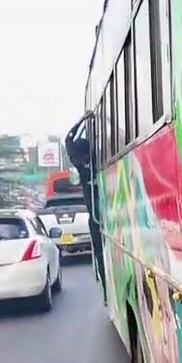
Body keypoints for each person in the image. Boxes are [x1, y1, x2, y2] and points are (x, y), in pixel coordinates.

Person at [65, 112, 105, 282]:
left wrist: (81, 121)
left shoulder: (79, 164)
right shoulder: (99, 159)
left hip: (95, 217)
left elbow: (68, 139)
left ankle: (103, 280)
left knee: (100, 254)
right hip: (106, 213)